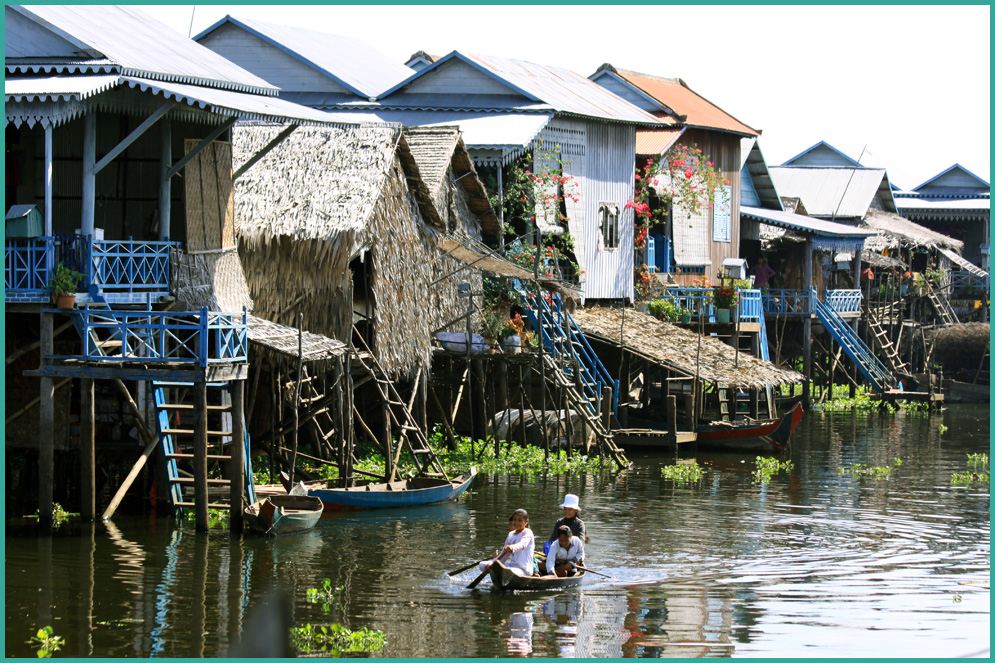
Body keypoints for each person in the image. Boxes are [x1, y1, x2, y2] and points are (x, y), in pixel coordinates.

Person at [538, 494, 587, 574]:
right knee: (538, 560)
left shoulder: (579, 524)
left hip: (573, 555)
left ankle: (558, 571)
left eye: (570, 509)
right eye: (565, 509)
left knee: (571, 564)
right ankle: (557, 571)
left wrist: (572, 559)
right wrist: (549, 552)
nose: (567, 512)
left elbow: (581, 543)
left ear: (575, 510)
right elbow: (552, 540)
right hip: (560, 554)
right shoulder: (559, 522)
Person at [479, 508, 535, 577]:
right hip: (512, 567)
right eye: (515, 520)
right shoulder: (511, 534)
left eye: (520, 520)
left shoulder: (528, 532)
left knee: (505, 571)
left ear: (526, 522)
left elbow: (523, 544)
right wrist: (493, 563)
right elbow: (503, 555)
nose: (516, 523)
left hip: (523, 570)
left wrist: (512, 547)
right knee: (482, 564)